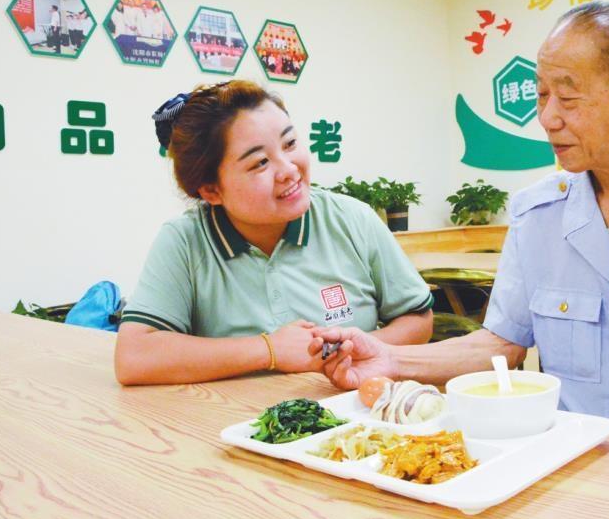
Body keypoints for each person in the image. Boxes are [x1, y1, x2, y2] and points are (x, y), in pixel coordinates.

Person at [311, 1, 609, 457]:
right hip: (578, 460)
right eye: (542, 94)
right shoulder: (535, 215)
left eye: (568, 96)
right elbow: (500, 344)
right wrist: (392, 360)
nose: (547, 117)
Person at [114, 80, 434, 385]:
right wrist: (271, 350)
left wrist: (347, 353)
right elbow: (134, 357)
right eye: (260, 163)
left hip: (350, 410)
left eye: (290, 143)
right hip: (233, 422)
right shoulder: (184, 241)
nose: (289, 169)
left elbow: (418, 319)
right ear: (212, 190)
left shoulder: (352, 219)